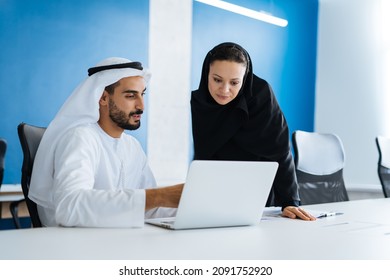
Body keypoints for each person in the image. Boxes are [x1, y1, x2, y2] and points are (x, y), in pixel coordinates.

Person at [29, 57, 183, 227]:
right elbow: (70, 207)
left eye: (142, 94)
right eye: (131, 95)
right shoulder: (80, 138)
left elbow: (151, 209)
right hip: (75, 246)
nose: (141, 106)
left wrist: (190, 203)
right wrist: (160, 196)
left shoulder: (132, 146)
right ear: (103, 98)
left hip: (115, 241)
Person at [191, 42, 315, 221]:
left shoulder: (261, 96)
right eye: (217, 80)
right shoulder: (200, 102)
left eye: (234, 83)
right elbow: (203, 156)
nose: (224, 90)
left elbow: (280, 151)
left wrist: (290, 201)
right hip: (216, 194)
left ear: (245, 78)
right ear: (206, 75)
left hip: (259, 195)